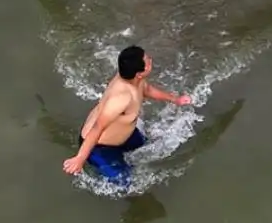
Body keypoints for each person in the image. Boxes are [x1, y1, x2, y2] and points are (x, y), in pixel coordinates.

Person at [63, 45, 192, 181]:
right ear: (140, 73)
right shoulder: (121, 98)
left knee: (149, 147)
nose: (150, 60)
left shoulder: (132, 77)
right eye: (147, 60)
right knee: (125, 183)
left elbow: (146, 89)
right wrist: (80, 158)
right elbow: (97, 128)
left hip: (125, 136)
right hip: (99, 146)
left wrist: (175, 99)